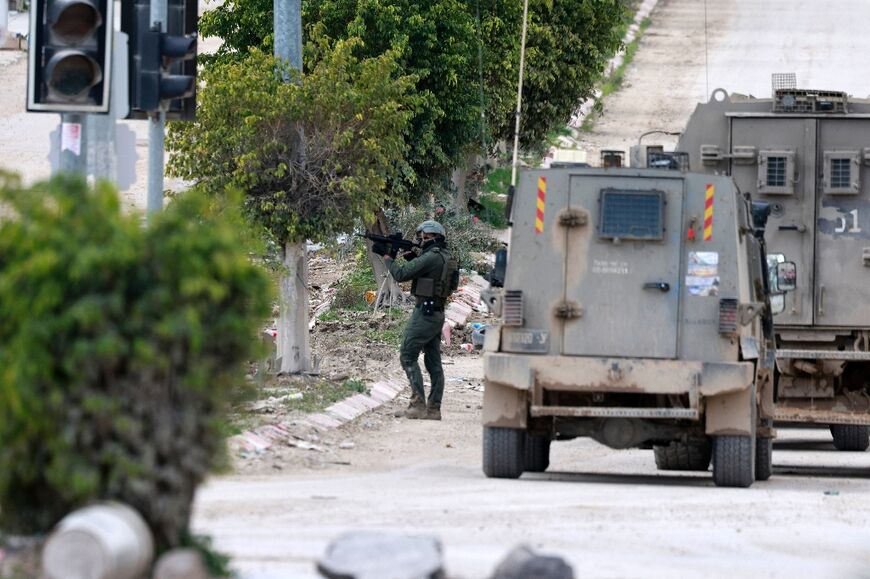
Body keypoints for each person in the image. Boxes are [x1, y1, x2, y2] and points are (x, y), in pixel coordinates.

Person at [374, 220, 458, 420]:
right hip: (436, 313)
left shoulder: (432, 257)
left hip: (424, 313)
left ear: (431, 236)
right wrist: (407, 253)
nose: (419, 239)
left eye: (422, 236)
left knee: (407, 355)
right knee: (433, 362)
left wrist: (386, 256)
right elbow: (424, 271)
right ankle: (434, 408)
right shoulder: (446, 256)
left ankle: (417, 404)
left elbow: (401, 274)